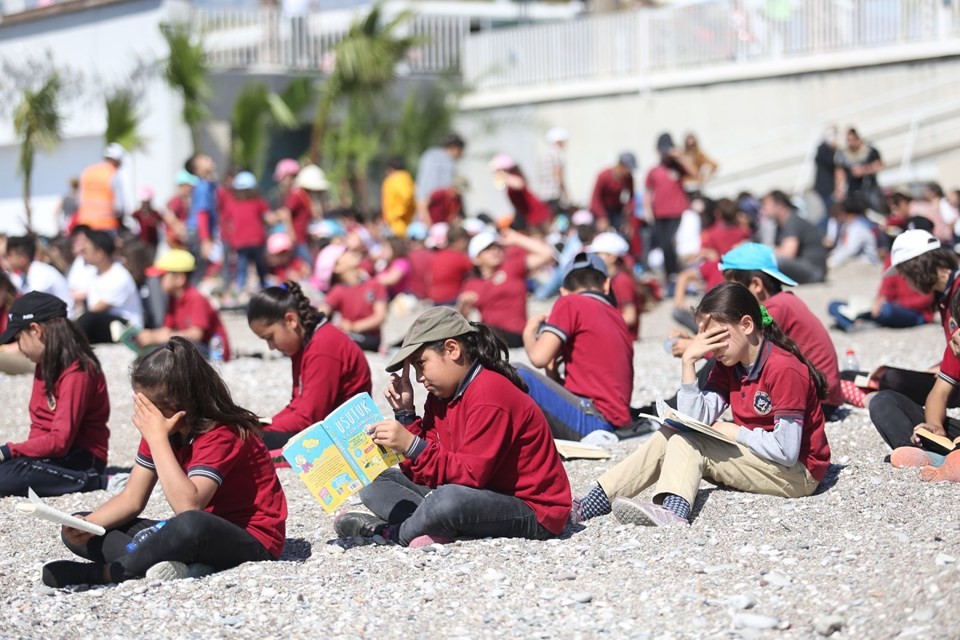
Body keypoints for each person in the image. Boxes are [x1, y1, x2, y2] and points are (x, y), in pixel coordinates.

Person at [571, 282, 830, 527]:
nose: (712, 347)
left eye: (718, 336)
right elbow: (696, 417)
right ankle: (593, 502)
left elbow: (787, 451)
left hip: (798, 474)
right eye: (705, 338)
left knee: (690, 443)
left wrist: (734, 432)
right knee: (671, 433)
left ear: (747, 325)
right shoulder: (731, 364)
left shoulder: (783, 369)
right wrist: (688, 363)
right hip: (766, 456)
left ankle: (673, 512)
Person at [40, 338, 287, 588]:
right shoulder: (162, 430)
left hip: (251, 540)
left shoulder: (223, 432)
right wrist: (86, 525)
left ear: (180, 407)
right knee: (81, 525)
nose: (143, 415)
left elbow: (188, 506)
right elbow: (131, 500)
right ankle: (174, 565)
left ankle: (110, 573)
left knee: (190, 525)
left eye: (149, 407)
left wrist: (157, 438)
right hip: (193, 533)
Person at [333, 308, 571, 547]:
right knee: (374, 479)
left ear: (452, 349)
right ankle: (427, 525)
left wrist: (412, 445)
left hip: (532, 509)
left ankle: (393, 534)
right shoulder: (440, 396)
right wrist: (405, 415)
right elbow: (426, 471)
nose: (419, 378)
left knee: (448, 500)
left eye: (421, 364)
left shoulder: (489, 393)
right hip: (475, 492)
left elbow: (469, 477)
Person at [0, 293, 111, 497]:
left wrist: (10, 451)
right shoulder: (45, 363)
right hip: (54, 454)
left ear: (36, 330)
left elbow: (60, 442)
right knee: (9, 471)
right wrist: (23, 456)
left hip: (83, 458)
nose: (18, 347)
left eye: (18, 338)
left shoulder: (78, 371)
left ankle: (97, 481)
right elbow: (40, 426)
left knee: (10, 476)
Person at [517, 253, 634, 440]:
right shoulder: (616, 316)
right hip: (615, 419)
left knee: (516, 372)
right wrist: (553, 374)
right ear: (606, 285)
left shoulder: (569, 302)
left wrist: (528, 334)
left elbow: (538, 358)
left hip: (595, 422)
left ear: (563, 291)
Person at [247, 283, 372, 450]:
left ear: (291, 320)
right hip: (326, 429)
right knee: (247, 440)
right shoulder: (305, 343)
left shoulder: (322, 346)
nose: (271, 346)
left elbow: (308, 418)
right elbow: (297, 404)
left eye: (270, 337)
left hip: (346, 440)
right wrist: (264, 424)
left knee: (249, 445)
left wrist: (259, 429)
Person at [870, 230, 960, 449]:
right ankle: (922, 451)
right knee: (883, 400)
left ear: (916, 267)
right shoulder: (946, 305)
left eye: (903, 274)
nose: (905, 282)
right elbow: (939, 392)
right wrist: (934, 428)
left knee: (892, 380)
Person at [458, 228, 555, 349]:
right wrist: (463, 305)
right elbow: (461, 319)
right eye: (487, 249)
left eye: (496, 247)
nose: (494, 251)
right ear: (476, 259)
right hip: (491, 337)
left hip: (516, 335)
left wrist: (517, 238)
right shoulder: (472, 283)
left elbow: (547, 253)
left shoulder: (511, 267)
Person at [134, 250, 231, 360]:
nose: (159, 280)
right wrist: (149, 335)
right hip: (196, 346)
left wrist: (159, 338)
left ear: (180, 279)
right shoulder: (174, 299)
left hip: (212, 351)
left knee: (166, 349)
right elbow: (167, 329)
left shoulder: (196, 298)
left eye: (163, 276)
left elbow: (196, 335)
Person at [314, 244, 388, 353]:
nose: (350, 252)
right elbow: (321, 312)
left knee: (339, 339)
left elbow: (380, 317)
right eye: (344, 253)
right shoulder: (338, 290)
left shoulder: (374, 285)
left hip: (369, 336)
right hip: (350, 334)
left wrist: (353, 326)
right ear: (337, 267)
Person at [75, 230, 143, 343]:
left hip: (127, 328)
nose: (83, 254)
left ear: (99, 253)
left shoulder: (119, 276)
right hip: (106, 322)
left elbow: (97, 309)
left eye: (86, 250)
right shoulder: (95, 273)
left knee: (88, 319)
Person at [645, 134, 697, 280]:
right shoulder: (654, 171)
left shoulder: (678, 167)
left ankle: (676, 272)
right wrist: (647, 209)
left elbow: (694, 173)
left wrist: (680, 157)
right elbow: (648, 192)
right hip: (659, 213)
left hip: (677, 212)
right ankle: (670, 274)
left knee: (672, 242)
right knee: (664, 244)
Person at [761, 190, 827, 284]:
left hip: (814, 271)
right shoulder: (780, 225)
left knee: (775, 262)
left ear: (780, 205)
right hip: (805, 267)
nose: (763, 208)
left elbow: (788, 254)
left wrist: (767, 250)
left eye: (766, 204)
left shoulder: (792, 221)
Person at [587, 231, 643, 341]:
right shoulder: (611, 279)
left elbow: (630, 317)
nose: (593, 258)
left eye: (598, 254)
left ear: (612, 257)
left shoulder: (622, 281)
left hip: (624, 337)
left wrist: (601, 325)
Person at [224, 171, 270, 293]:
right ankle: (263, 285)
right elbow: (267, 218)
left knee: (242, 266)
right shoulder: (258, 202)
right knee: (260, 264)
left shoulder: (233, 204)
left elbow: (228, 223)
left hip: (240, 241)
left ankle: (241, 288)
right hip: (256, 240)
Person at [277, 165, 327, 265]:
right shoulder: (297, 195)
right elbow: (286, 213)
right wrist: (291, 233)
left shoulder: (305, 197)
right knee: (307, 262)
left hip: (303, 237)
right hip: (298, 238)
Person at [4, 235, 71, 308]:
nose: (7, 259)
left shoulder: (40, 273)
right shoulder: (24, 275)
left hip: (65, 316)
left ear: (22, 258)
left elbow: (34, 305)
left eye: (10, 255)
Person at [489, 155, 552, 231]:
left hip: (538, 215)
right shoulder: (509, 182)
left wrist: (503, 175)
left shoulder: (514, 177)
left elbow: (520, 184)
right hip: (530, 217)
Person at [183, 153, 219, 284]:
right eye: (203, 159)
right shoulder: (203, 187)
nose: (208, 159)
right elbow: (202, 213)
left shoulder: (209, 185)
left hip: (199, 232)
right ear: (198, 170)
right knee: (199, 271)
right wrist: (205, 240)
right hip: (199, 233)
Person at [415, 133, 466, 223]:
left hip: (426, 207)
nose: (462, 154)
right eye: (461, 151)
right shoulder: (447, 163)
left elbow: (420, 187)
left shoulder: (430, 155)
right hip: (434, 209)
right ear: (455, 148)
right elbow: (431, 188)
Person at [74, 144, 125, 232]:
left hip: (86, 225)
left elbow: (79, 201)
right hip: (106, 226)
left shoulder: (88, 171)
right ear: (116, 160)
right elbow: (119, 207)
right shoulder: (113, 174)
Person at [834, 127, 883, 209]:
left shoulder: (869, 150)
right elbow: (839, 172)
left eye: (852, 139)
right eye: (848, 140)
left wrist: (863, 170)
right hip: (853, 191)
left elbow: (879, 165)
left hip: (871, 188)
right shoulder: (842, 154)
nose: (851, 143)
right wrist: (839, 190)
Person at [826, 193, 879, 269]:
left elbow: (850, 250)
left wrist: (831, 263)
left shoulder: (858, 228)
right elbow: (841, 247)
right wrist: (831, 258)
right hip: (854, 261)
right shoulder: (846, 226)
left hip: (867, 264)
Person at [590, 152, 636, 233]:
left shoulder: (628, 178)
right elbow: (595, 199)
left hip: (616, 210)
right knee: (601, 232)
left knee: (623, 233)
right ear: (620, 165)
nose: (628, 172)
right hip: (601, 210)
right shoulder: (604, 176)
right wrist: (602, 217)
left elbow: (631, 197)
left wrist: (627, 216)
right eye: (627, 168)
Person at [427, 225, 472, 305]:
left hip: (434, 299)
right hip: (451, 299)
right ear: (460, 241)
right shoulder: (460, 258)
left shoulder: (437, 256)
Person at [0, 273, 34, 375]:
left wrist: (3, 348)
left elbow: (32, 341)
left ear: (4, 287)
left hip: (30, 358)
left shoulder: (20, 306)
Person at [382, 157, 416, 237]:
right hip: (404, 222)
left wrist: (397, 213)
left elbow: (407, 196)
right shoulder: (407, 178)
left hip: (399, 224)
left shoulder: (397, 179)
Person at [539, 127, 569, 217]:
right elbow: (558, 174)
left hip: (544, 193)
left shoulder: (547, 153)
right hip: (554, 194)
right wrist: (565, 191)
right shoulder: (556, 154)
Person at [813, 127, 838, 221]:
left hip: (827, 187)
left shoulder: (824, 149)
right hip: (825, 187)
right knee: (831, 211)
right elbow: (832, 163)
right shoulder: (823, 149)